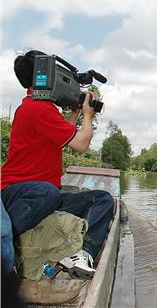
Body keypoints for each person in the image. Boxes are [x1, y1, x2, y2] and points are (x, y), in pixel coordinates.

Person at [1, 50, 115, 280]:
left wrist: (74, 117)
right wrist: (88, 115)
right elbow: (81, 144)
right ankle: (8, 238)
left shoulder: (38, 108)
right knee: (48, 193)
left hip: (44, 194)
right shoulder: (37, 108)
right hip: (18, 194)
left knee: (102, 199)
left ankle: (84, 254)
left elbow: (58, 142)